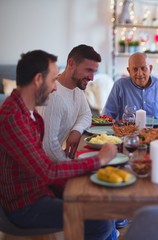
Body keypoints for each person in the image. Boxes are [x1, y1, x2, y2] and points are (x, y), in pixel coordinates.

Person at [0, 50, 118, 240]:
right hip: (24, 205)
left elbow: (44, 167)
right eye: (53, 80)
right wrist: (98, 160)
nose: (55, 88)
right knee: (100, 222)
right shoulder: (13, 118)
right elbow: (46, 170)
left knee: (100, 202)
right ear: (38, 79)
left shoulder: (28, 112)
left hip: (40, 188)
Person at [37, 44, 99, 162]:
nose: (92, 78)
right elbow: (48, 149)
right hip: (43, 168)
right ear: (71, 64)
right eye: (88, 70)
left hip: (56, 160)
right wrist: (75, 165)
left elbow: (86, 114)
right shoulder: (53, 97)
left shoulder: (76, 87)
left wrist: (76, 131)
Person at [103, 52, 158, 120]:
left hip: (157, 131)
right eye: (135, 69)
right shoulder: (120, 86)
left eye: (143, 68)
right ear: (129, 71)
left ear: (150, 69)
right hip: (127, 131)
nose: (139, 73)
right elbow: (107, 116)